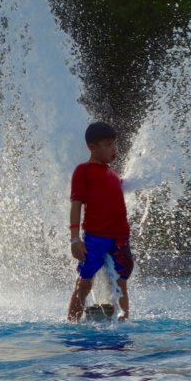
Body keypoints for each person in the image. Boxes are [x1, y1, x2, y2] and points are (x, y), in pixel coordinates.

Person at [67, 122, 133, 322]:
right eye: (108, 144)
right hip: (95, 237)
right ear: (92, 147)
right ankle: (72, 322)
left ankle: (124, 322)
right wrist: (74, 239)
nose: (114, 149)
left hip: (120, 237)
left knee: (121, 282)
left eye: (115, 144)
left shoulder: (114, 175)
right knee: (85, 281)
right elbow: (76, 204)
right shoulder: (83, 171)